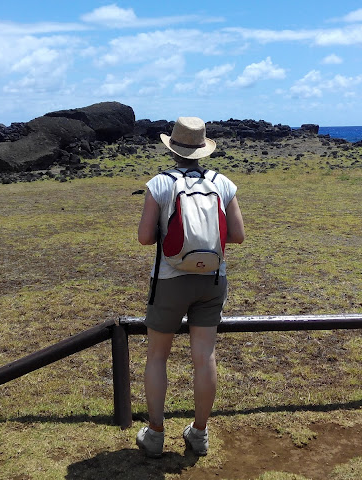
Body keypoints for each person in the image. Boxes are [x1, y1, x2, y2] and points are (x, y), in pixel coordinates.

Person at [136, 116, 245, 458]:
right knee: (204, 357)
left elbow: (143, 238)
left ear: (173, 149)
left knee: (157, 356)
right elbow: (238, 236)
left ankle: (155, 434)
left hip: (169, 280)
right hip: (213, 280)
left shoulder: (160, 184)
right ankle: (199, 433)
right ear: (202, 149)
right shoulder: (223, 183)